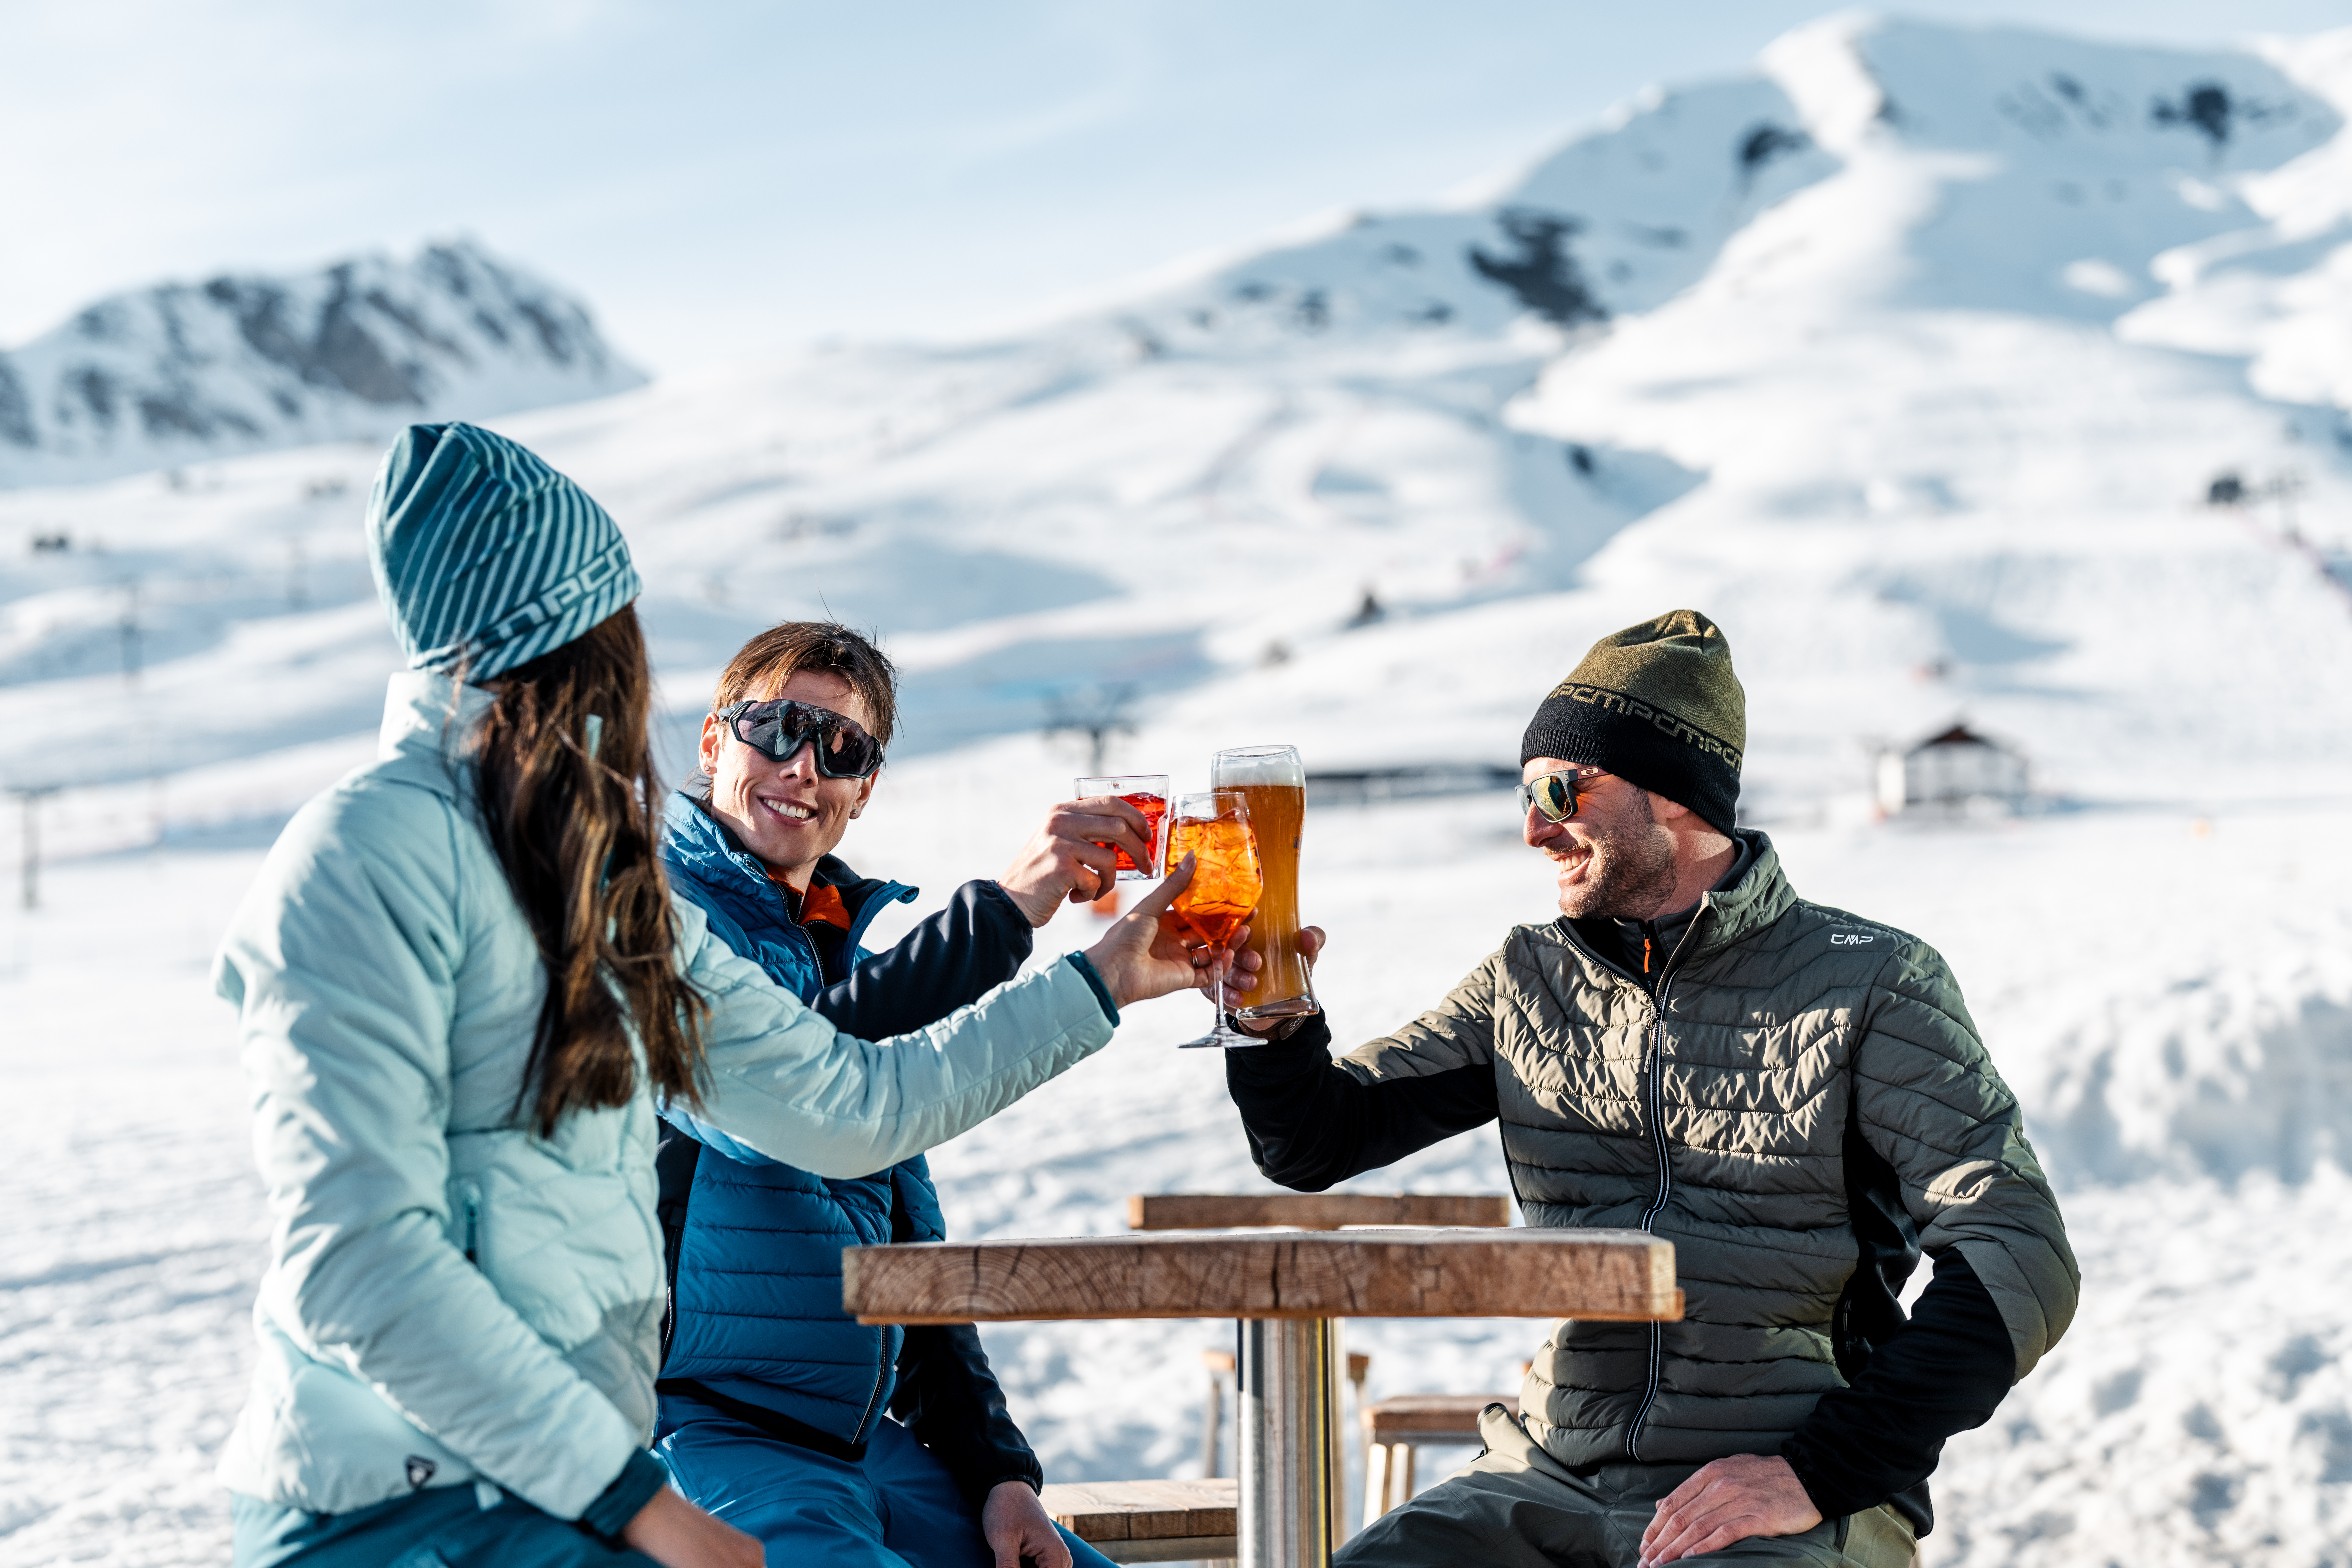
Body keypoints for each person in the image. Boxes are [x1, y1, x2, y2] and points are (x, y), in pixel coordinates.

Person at [215, 423, 1219, 1568]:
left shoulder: (606, 884)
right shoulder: (366, 851)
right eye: (617, 631)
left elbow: (852, 1109)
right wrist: (644, 1506)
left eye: (840, 749)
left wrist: (1103, 981)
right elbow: (360, 1260)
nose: (803, 765)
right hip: (394, 1504)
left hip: (579, 1490)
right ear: (563, 641)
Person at [1224, 610, 2079, 1568]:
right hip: (1545, 1478)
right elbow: (1316, 1140)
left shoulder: (1871, 981)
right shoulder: (1529, 979)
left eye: (1559, 790)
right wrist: (1266, 1006)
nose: (1533, 829)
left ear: (1671, 795)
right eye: (1526, 796)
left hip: (1774, 1494)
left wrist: (1820, 1473)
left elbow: (2018, 1254)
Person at [650, 620, 1152, 1568]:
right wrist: (1000, 918)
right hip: (699, 1436)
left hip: (863, 1449)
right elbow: (801, 1078)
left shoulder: (839, 946)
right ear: (716, 743)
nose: (803, 766)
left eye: (841, 747)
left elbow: (907, 1256)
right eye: (775, 729)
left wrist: (996, 1472)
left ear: (864, 790)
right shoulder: (650, 921)